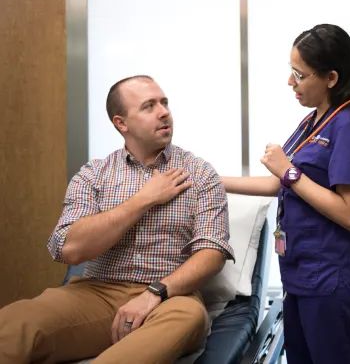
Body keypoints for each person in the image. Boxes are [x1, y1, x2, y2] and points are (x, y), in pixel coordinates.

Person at [0, 75, 234, 364]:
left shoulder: (199, 173)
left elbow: (212, 253)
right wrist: (144, 199)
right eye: (149, 106)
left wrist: (155, 293)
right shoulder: (94, 174)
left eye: (164, 103)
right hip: (95, 294)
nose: (164, 112)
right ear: (121, 123)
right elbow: (70, 248)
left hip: (169, 299)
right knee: (15, 322)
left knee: (189, 317)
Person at [221, 24, 350, 364]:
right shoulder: (313, 121)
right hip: (301, 274)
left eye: (299, 74)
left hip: (333, 277)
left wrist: (288, 170)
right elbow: (281, 183)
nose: (291, 82)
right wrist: (213, 180)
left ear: (331, 78)